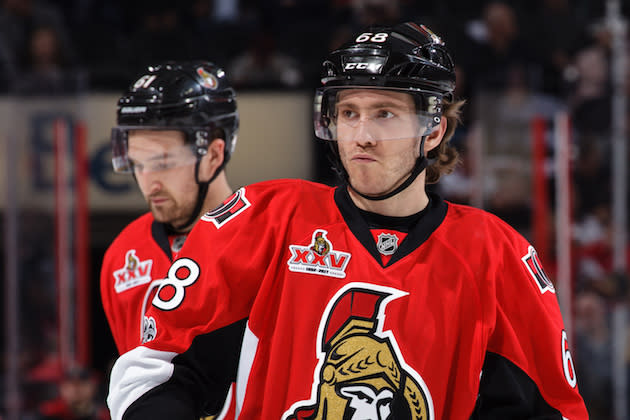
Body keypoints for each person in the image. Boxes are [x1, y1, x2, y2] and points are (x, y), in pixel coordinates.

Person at [107, 22, 588, 419]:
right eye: (349, 113)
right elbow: (155, 369)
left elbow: (548, 409)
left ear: (434, 128)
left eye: (385, 114)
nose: (361, 135)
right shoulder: (265, 220)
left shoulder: (497, 255)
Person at [99, 61, 239, 418]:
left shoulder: (265, 242)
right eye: (138, 164)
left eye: (161, 163)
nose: (148, 183)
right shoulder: (123, 256)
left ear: (213, 154)